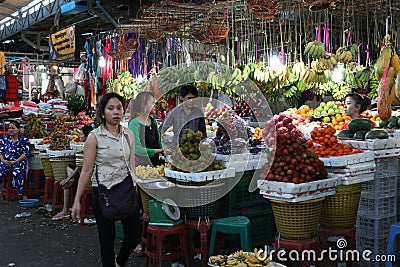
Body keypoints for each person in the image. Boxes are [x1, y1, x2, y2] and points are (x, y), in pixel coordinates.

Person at [71, 92, 140, 267]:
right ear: (102, 113)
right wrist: (77, 200)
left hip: (126, 190)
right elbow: (86, 170)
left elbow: (132, 166)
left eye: (119, 108)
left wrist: (139, 191)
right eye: (111, 108)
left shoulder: (128, 135)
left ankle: (120, 261)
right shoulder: (95, 137)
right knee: (107, 244)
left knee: (134, 237)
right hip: (103, 193)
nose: (116, 112)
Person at [51, 125, 93, 221]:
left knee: (67, 183)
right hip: (80, 172)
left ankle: (65, 210)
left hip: (88, 176)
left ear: (87, 136)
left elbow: (82, 166)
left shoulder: (90, 147)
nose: (80, 136)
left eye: (82, 134)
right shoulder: (83, 146)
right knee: (69, 169)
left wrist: (68, 178)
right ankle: (65, 209)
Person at [129, 91, 164, 167]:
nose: (155, 105)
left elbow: (159, 142)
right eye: (152, 103)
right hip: (141, 167)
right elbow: (137, 149)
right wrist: (159, 150)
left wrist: (163, 149)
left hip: (156, 164)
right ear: (143, 105)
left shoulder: (153, 121)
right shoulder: (134, 124)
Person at [0, 120, 30, 199]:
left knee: (16, 172)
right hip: (6, 161)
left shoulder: (24, 140)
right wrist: (3, 160)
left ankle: (23, 194)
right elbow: (1, 151)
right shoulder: (5, 139)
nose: (11, 130)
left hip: (18, 162)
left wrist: (15, 161)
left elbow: (25, 153)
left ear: (18, 129)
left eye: (13, 128)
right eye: (9, 128)